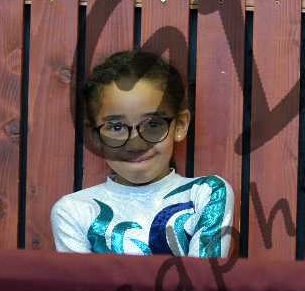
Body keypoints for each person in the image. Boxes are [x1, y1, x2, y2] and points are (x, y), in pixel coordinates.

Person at [51, 50, 233, 256]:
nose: (136, 144)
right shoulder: (75, 211)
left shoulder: (207, 193)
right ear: (95, 136)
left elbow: (203, 276)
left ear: (180, 125)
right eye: (117, 127)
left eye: (153, 124)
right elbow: (79, 279)